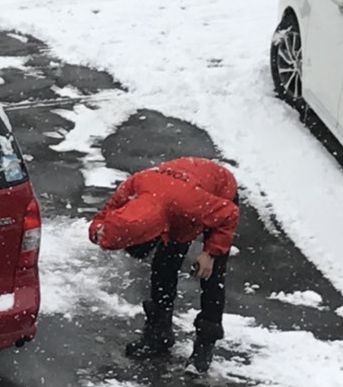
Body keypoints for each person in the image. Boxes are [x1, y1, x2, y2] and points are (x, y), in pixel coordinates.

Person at [88, 157, 239, 370]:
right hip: (175, 198)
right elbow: (107, 212)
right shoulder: (135, 184)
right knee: (163, 266)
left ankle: (204, 346)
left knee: (211, 277)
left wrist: (210, 253)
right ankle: (158, 335)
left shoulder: (190, 205)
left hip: (217, 193)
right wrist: (98, 231)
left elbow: (229, 213)